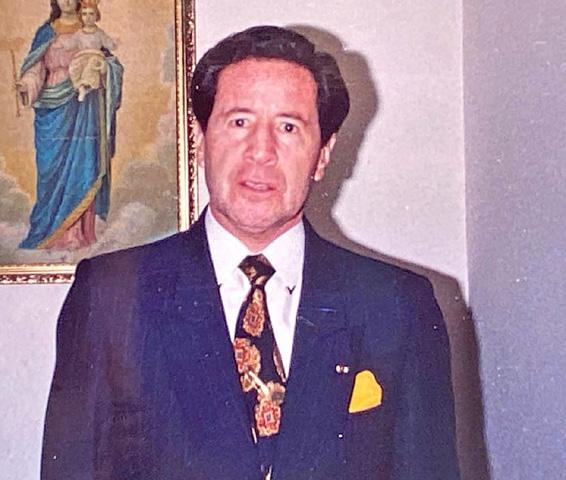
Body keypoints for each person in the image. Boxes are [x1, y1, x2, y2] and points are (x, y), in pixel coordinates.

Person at [41, 26, 460, 479]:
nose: (261, 151)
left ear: (323, 154)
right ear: (200, 139)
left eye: (288, 127)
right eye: (239, 122)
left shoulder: (397, 306)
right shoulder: (111, 296)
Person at [17, 0, 122, 250]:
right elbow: (36, 69)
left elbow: (111, 64)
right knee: (51, 170)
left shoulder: (90, 30)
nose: (65, 1)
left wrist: (103, 68)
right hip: (51, 107)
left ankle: (79, 233)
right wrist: (26, 85)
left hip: (84, 107)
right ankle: (51, 231)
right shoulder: (46, 32)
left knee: (83, 163)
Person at [65, 0, 118, 102]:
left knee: (91, 67)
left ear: (96, 16)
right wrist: (64, 45)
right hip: (81, 57)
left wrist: (114, 43)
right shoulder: (79, 33)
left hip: (95, 56)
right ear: (81, 16)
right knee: (73, 68)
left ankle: (88, 86)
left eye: (91, 14)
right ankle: (81, 87)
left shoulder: (99, 33)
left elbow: (108, 43)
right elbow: (70, 44)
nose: (88, 17)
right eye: (84, 14)